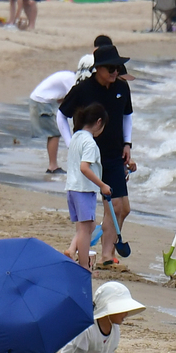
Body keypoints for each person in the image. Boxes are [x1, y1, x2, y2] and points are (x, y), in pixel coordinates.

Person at [58, 44, 134, 268]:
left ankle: (107, 255)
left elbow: (128, 116)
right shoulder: (83, 89)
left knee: (119, 206)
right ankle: (84, 251)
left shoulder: (122, 88)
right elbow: (61, 116)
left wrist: (128, 143)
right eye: (110, 67)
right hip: (88, 160)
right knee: (87, 212)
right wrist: (71, 143)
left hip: (114, 154)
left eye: (118, 67)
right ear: (97, 68)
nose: (114, 71)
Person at [65, 103, 109, 269]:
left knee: (88, 226)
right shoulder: (90, 143)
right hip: (84, 189)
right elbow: (85, 167)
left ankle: (71, 249)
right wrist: (102, 185)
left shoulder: (76, 137)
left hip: (72, 187)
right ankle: (83, 265)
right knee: (85, 230)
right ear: (99, 122)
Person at [29, 67, 79, 174]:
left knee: (54, 133)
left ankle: (53, 165)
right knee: (54, 133)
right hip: (41, 102)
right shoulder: (72, 80)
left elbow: (64, 99)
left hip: (42, 101)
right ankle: (52, 166)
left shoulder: (69, 76)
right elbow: (75, 100)